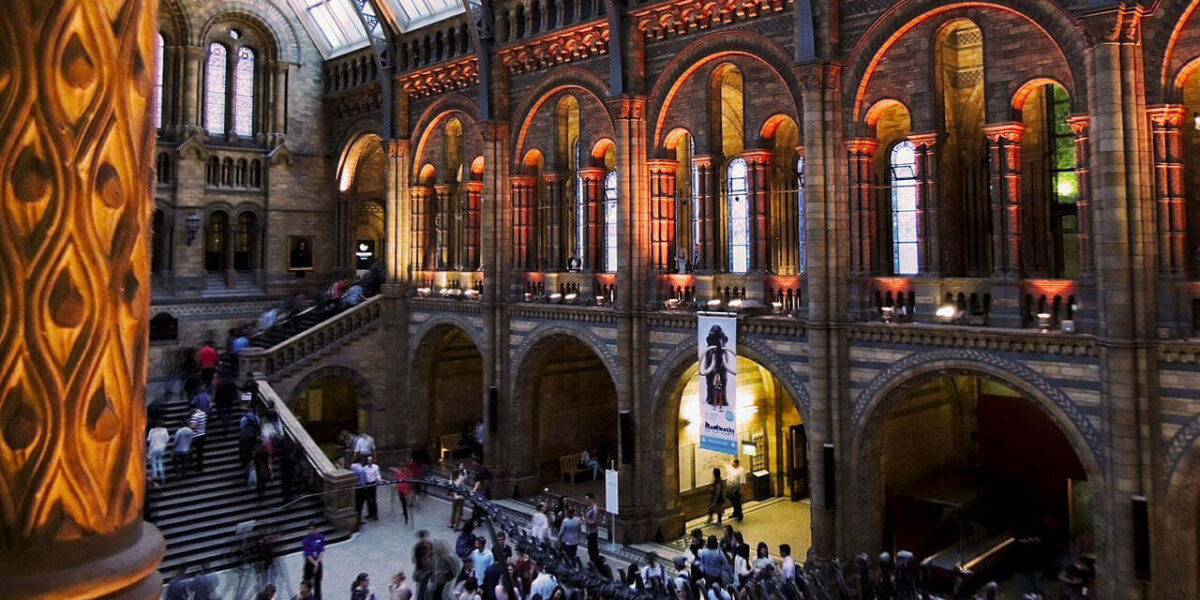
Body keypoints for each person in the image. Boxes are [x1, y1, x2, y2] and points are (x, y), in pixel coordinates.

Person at [301, 522, 325, 600]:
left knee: (317, 584)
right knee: (306, 583)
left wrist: (317, 563)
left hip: (318, 562)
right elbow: (307, 554)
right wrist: (314, 564)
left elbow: (321, 551)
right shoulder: (306, 540)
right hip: (309, 564)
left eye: (313, 529)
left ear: (316, 529)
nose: (311, 531)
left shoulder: (321, 537)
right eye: (310, 529)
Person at [412, 530, 433, 600]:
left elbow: (414, 560)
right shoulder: (419, 547)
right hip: (423, 572)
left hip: (423, 572)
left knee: (422, 590)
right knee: (422, 591)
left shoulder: (418, 546)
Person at [146, 420, 169, 485]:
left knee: (154, 462)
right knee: (160, 461)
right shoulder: (164, 430)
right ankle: (162, 476)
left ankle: (155, 476)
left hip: (153, 448)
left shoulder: (152, 431)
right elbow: (167, 439)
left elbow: (148, 439)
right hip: (161, 448)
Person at [583, 492, 601, 565]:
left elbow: (594, 521)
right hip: (589, 531)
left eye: (587, 499)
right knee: (590, 548)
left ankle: (595, 562)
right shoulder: (589, 507)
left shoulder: (595, 509)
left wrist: (585, 520)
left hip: (592, 532)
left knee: (592, 549)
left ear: (591, 499)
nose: (586, 501)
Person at [189, 406, 208, 473]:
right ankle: (200, 466)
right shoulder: (203, 414)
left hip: (197, 436)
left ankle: (197, 467)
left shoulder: (195, 416)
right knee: (200, 452)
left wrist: (190, 425)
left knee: (196, 451)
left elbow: (193, 426)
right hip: (203, 434)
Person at [362, 455, 381, 521]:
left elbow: (377, 475)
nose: (369, 461)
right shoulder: (365, 468)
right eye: (368, 460)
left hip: (373, 484)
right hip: (367, 484)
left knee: (373, 499)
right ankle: (370, 513)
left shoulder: (376, 467)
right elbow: (364, 476)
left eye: (370, 460)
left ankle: (375, 514)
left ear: (372, 461)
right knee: (368, 499)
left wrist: (378, 480)